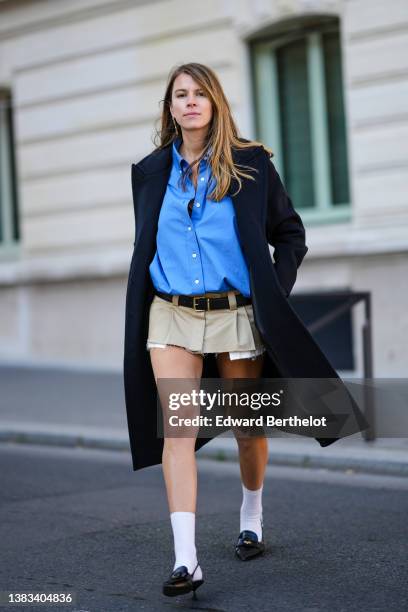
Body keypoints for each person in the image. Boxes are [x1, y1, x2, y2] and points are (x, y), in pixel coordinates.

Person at [124, 61, 367, 600]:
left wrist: (271, 292)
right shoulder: (148, 172)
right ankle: (186, 559)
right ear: (169, 108)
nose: (189, 102)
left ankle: (252, 513)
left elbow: (291, 234)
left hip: (236, 312)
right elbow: (147, 244)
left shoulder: (250, 165)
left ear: (215, 103)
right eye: (179, 95)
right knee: (178, 429)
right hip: (171, 311)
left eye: (199, 94)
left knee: (244, 424)